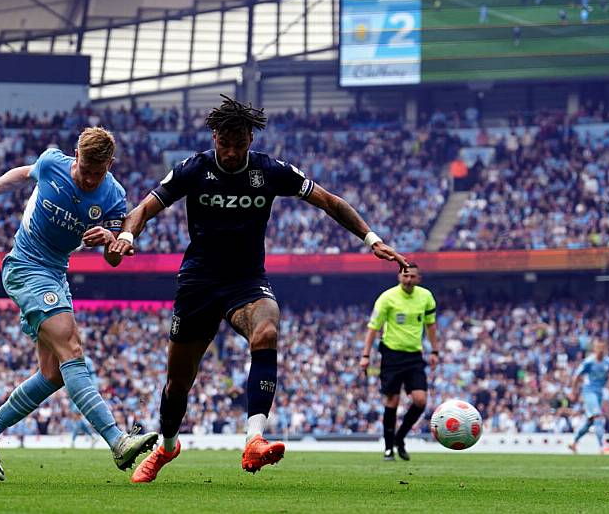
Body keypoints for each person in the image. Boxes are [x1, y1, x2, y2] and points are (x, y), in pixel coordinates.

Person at [109, 95, 408, 483]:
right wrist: (128, 234)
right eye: (224, 144)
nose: (231, 153)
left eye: (239, 144)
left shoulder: (270, 171)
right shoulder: (193, 169)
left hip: (246, 279)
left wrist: (372, 239)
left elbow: (330, 202)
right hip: (198, 281)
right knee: (178, 382)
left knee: (267, 329)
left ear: (251, 138)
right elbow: (145, 208)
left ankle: (254, 439)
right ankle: (167, 447)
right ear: (214, 136)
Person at [0, 127, 157, 481]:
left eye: (99, 172)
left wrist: (111, 239)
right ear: (75, 156)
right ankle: (117, 442)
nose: (91, 179)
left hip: (57, 275)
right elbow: (24, 173)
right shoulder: (52, 163)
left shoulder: (113, 196)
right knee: (72, 349)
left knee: (53, 374)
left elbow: (113, 259)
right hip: (26, 266)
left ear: (110, 164)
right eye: (85, 170)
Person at [360, 263, 438, 461]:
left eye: (412, 276)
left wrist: (435, 350)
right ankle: (388, 448)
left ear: (419, 279)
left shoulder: (426, 297)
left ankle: (399, 437)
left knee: (420, 400)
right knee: (392, 401)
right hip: (391, 355)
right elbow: (373, 327)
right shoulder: (387, 298)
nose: (408, 280)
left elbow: (430, 325)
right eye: (405, 276)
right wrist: (365, 355)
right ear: (399, 277)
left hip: (414, 355)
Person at [568, 339, 609, 454]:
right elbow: (576, 376)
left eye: (603, 348)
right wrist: (573, 392)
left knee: (590, 421)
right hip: (589, 392)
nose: (601, 351)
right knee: (598, 416)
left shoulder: (608, 362)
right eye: (599, 348)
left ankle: (573, 442)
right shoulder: (589, 361)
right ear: (595, 349)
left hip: (599, 393)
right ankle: (602, 447)